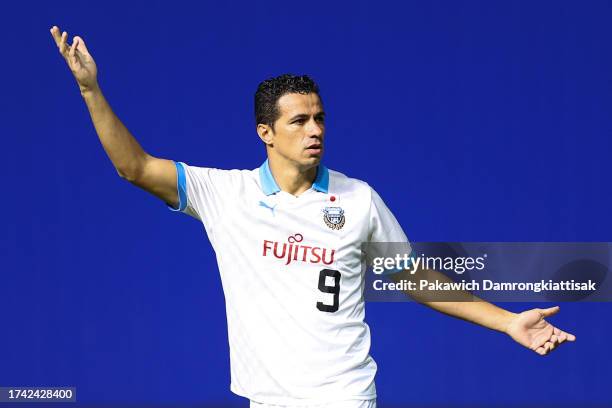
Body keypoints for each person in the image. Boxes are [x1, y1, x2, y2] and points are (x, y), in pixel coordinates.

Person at [50, 26, 576, 408]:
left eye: (320, 118)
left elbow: (413, 276)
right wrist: (91, 91)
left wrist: (509, 320)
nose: (315, 129)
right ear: (266, 133)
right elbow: (134, 166)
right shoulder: (224, 193)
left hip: (345, 397)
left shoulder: (357, 199)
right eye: (299, 120)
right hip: (267, 401)